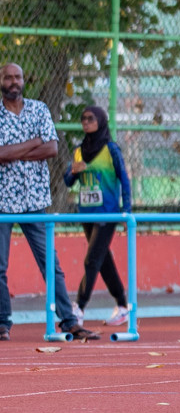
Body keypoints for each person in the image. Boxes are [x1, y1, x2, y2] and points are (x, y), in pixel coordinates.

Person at [0, 63, 80, 342]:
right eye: (8, 77)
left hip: (35, 200)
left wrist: (13, 152)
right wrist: (32, 143)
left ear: (24, 80)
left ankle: (69, 321)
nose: (13, 81)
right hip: (2, 202)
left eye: (18, 76)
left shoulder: (39, 109)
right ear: (1, 81)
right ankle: (2, 323)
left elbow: (52, 148)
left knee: (50, 263)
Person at [64, 105, 130, 331]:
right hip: (87, 214)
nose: (86, 122)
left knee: (91, 260)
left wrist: (126, 211)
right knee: (103, 260)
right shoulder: (79, 150)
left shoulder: (111, 149)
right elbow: (67, 181)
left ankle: (79, 308)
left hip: (107, 213)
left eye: (90, 119)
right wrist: (73, 171)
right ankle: (122, 306)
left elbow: (124, 179)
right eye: (83, 119)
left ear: (100, 121)